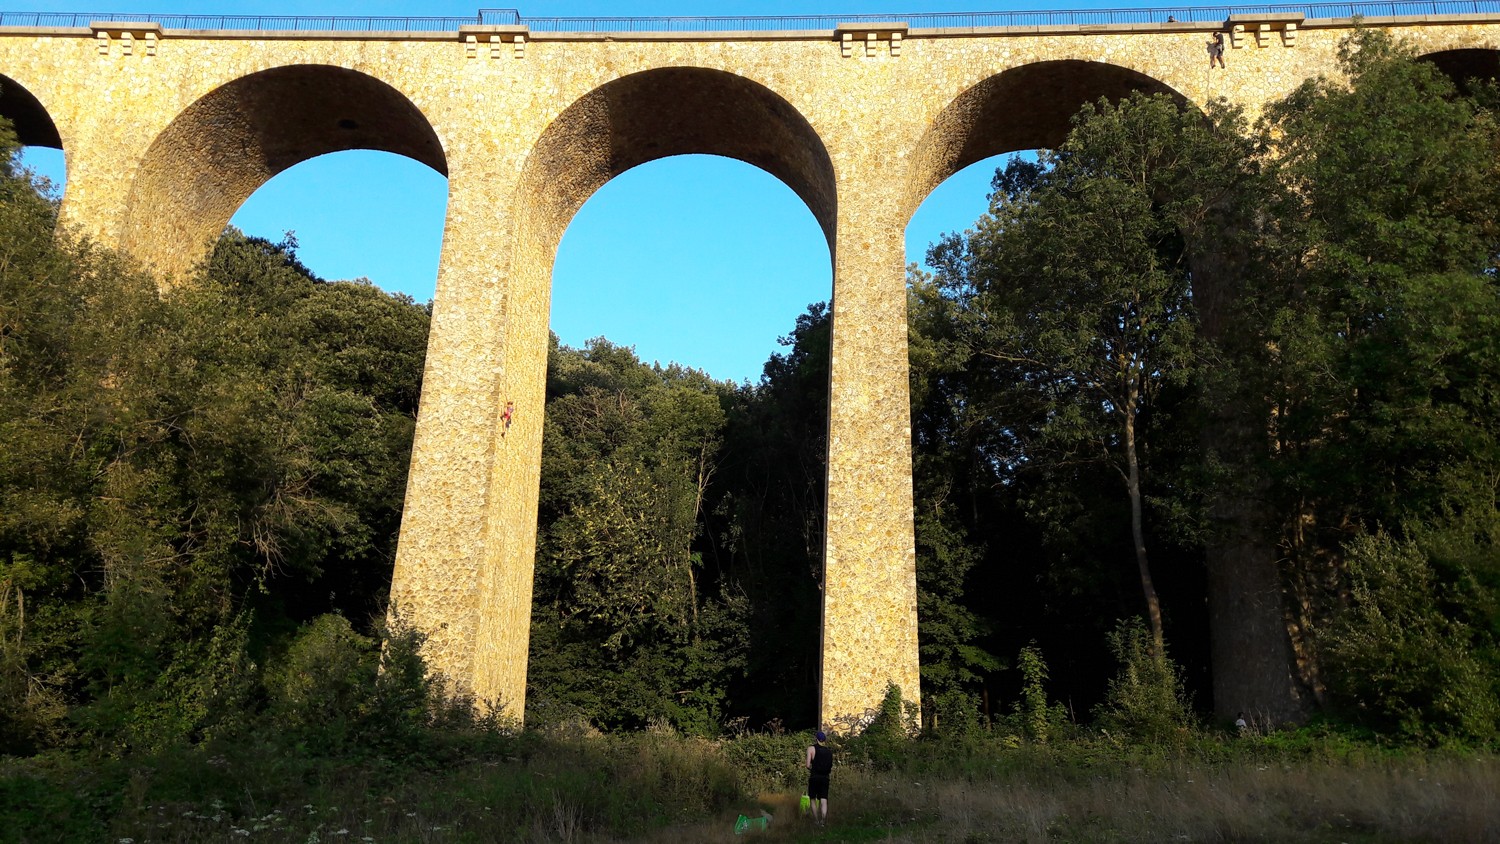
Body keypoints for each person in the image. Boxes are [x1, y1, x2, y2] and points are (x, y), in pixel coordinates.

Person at [805, 730, 833, 826]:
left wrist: (812, 768)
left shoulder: (811, 748)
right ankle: (823, 821)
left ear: (816, 739)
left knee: (812, 798)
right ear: (824, 740)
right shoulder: (829, 751)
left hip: (814, 777)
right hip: (825, 777)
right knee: (824, 799)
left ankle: (816, 820)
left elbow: (808, 765)